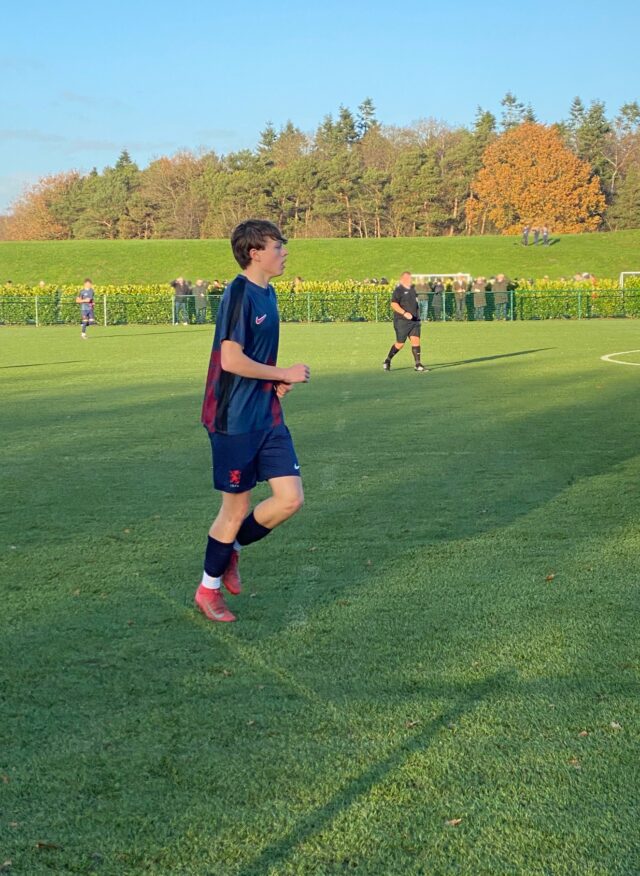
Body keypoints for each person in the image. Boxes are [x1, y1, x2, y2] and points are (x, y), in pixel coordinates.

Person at [195, 219, 310, 623]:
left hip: (267, 413)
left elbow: (257, 356)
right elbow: (230, 359)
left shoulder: (270, 292)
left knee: (290, 499)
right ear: (254, 252)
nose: (284, 252)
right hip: (234, 418)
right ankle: (207, 590)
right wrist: (282, 373)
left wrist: (276, 383)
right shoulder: (239, 292)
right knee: (235, 507)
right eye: (278, 246)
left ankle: (231, 551)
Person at [382, 271, 427, 372]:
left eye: (410, 278)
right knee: (400, 344)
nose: (410, 280)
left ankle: (418, 364)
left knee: (416, 341)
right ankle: (387, 360)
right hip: (401, 321)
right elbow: (393, 304)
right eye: (407, 278)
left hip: (414, 321)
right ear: (402, 279)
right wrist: (404, 313)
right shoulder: (398, 290)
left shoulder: (413, 289)